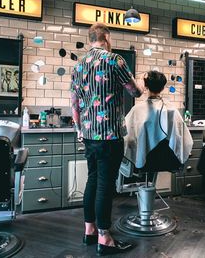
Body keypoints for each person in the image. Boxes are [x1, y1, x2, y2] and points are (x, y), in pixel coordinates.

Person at [70, 23, 143, 256]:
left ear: (90, 38)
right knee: (105, 185)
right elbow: (135, 92)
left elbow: (73, 102)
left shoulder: (78, 65)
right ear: (106, 38)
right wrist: (138, 81)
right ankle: (105, 238)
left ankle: (89, 230)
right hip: (109, 134)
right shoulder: (115, 60)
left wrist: (79, 128)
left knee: (92, 180)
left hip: (89, 133)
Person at [124, 70, 193, 172]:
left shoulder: (137, 110)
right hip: (167, 160)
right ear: (163, 87)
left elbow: (127, 139)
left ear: (146, 86)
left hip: (145, 161)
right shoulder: (171, 109)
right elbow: (184, 140)